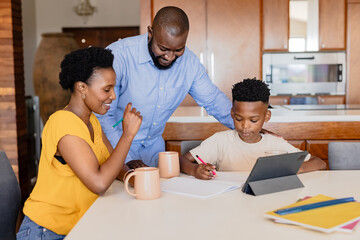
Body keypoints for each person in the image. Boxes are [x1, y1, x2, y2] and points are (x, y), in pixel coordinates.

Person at [16, 47, 142, 239]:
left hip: (78, 227)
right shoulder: (63, 123)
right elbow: (99, 183)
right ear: (82, 87)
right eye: (107, 89)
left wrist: (139, 178)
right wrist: (127, 135)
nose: (113, 96)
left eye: (114, 88)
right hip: (46, 231)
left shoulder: (91, 120)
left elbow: (114, 167)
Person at [96, 6, 234, 169]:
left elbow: (214, 101)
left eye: (178, 50)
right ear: (150, 33)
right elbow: (103, 115)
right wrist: (125, 160)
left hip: (154, 154)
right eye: (163, 49)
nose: (169, 57)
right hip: (113, 150)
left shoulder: (189, 63)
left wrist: (248, 126)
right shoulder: (120, 55)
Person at [180, 78, 326, 180]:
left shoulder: (276, 144)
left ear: (266, 116)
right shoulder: (220, 141)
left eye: (253, 120)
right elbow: (182, 161)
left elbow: (319, 162)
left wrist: (295, 169)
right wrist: (194, 170)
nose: (245, 126)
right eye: (238, 118)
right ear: (232, 113)